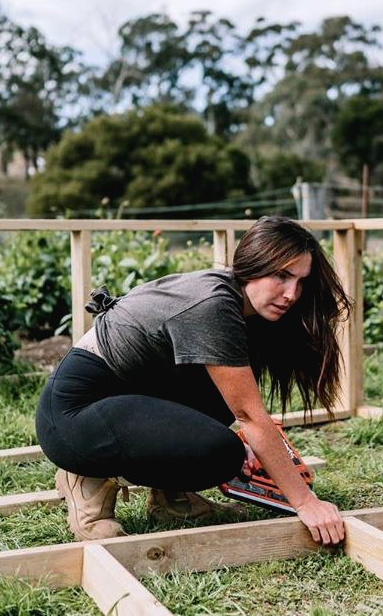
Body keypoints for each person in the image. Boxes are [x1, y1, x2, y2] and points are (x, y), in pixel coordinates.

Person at [35, 216, 349, 546]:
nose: (291, 294)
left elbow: (237, 404)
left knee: (222, 400)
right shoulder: (213, 306)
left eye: (301, 282)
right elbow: (250, 416)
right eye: (282, 276)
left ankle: (170, 498)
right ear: (252, 263)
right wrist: (305, 503)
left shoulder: (237, 305)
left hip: (121, 398)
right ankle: (88, 478)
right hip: (72, 418)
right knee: (221, 454)